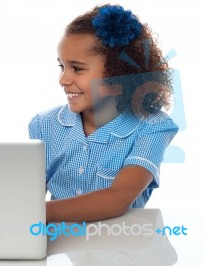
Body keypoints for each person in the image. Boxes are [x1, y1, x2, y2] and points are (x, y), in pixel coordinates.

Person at [28, 4, 178, 222]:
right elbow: (29, 195)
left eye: (77, 69)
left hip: (120, 246)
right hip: (60, 246)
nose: (63, 80)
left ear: (119, 72)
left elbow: (116, 199)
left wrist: (29, 213)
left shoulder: (153, 126)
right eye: (62, 67)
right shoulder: (44, 124)